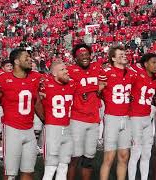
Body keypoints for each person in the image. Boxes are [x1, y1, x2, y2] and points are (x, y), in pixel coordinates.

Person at [0, 48, 44, 180]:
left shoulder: (35, 77)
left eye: (30, 57)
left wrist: (45, 120)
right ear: (16, 61)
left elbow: (37, 101)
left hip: (29, 130)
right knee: (10, 174)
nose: (30, 59)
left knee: (28, 171)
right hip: (12, 129)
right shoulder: (3, 79)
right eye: (26, 57)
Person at [99, 46, 134, 180]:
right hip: (112, 117)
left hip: (126, 117)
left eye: (125, 53)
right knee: (109, 157)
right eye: (120, 54)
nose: (124, 56)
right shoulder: (106, 72)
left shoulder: (131, 73)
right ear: (113, 58)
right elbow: (98, 90)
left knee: (124, 156)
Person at [67, 44, 101, 180]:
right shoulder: (69, 70)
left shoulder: (97, 67)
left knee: (89, 159)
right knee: (74, 158)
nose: (85, 57)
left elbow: (105, 84)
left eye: (86, 54)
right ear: (75, 58)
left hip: (94, 119)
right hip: (77, 119)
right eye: (81, 55)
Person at [128, 53, 156, 180]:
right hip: (135, 117)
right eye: (153, 62)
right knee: (135, 153)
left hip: (147, 118)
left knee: (147, 153)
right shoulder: (136, 74)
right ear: (145, 64)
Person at [41, 61, 75, 180]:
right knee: (50, 167)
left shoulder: (71, 84)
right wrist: (44, 119)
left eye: (66, 69)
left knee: (64, 165)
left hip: (67, 128)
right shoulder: (45, 84)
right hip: (52, 128)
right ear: (54, 73)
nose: (66, 71)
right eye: (62, 70)